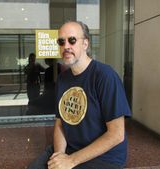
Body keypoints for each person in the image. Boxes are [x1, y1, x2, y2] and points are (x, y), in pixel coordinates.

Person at [28, 21, 131, 169]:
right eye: (61, 41)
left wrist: (71, 161)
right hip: (70, 149)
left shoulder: (105, 76)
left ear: (85, 44)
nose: (66, 46)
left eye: (72, 40)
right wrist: (60, 155)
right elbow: (60, 123)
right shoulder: (63, 79)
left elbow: (117, 134)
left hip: (104, 157)